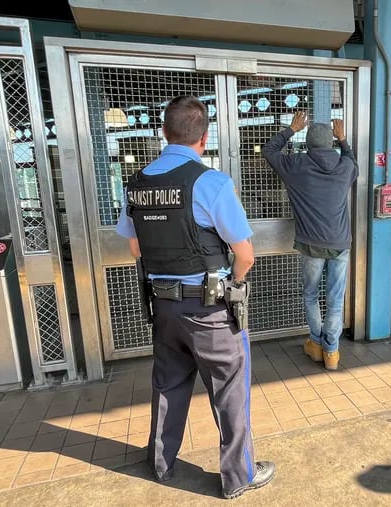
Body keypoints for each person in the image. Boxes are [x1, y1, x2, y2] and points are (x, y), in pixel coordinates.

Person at [115, 96, 275, 500]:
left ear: (164, 133)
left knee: (167, 385)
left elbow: (135, 250)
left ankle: (161, 463)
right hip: (210, 309)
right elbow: (245, 255)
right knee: (229, 391)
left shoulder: (137, 184)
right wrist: (233, 284)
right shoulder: (211, 182)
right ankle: (238, 476)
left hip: (163, 306)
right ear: (204, 138)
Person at [262, 112, 358, 371]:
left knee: (311, 294)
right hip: (340, 243)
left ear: (307, 144)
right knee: (336, 299)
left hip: (311, 244)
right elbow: (352, 161)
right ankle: (332, 352)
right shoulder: (345, 167)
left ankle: (315, 345)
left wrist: (290, 129)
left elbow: (269, 151)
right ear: (331, 142)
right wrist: (344, 140)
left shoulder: (296, 165)